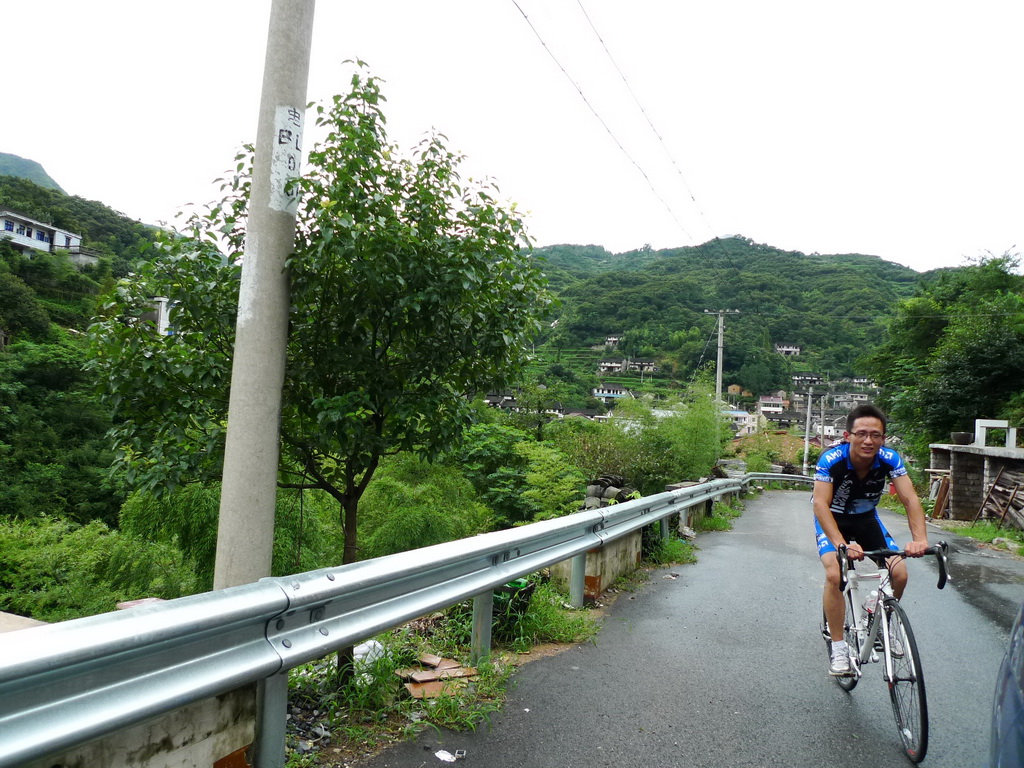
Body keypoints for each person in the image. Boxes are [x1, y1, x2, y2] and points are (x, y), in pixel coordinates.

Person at [813, 403, 929, 676]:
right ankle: (839, 647)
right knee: (835, 574)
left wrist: (920, 539)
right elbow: (819, 504)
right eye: (862, 434)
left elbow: (910, 499)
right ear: (847, 436)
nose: (868, 440)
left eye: (875, 435)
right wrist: (841, 544)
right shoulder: (831, 459)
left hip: (866, 518)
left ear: (883, 438)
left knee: (899, 573)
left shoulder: (889, 458)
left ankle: (876, 616)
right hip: (832, 519)